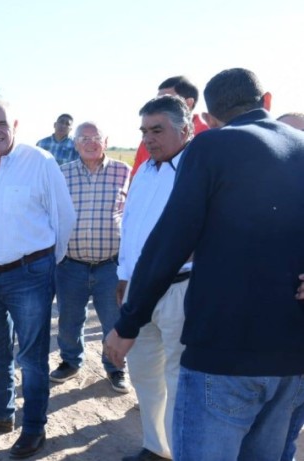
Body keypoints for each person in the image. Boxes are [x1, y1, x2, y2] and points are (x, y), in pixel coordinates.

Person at [106, 68, 304, 461]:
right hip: (292, 358)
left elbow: (169, 243)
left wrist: (128, 322)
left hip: (224, 353)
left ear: (208, 120)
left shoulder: (211, 148)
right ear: (266, 102)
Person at [0, 99, 75, 460]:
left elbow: (64, 218)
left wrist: (44, 266)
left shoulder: (39, 162)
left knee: (31, 356)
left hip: (30, 274)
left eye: (2, 124)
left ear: (15, 125)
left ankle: (33, 428)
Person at [109, 95, 195, 461]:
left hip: (180, 290)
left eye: (157, 130)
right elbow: (131, 228)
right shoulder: (144, 170)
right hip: (139, 292)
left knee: (178, 380)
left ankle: (180, 452)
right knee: (145, 375)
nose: (148, 138)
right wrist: (124, 276)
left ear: (186, 129)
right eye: (144, 131)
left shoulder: (197, 169)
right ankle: (156, 448)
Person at [51, 121, 131, 393]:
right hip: (71, 265)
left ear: (106, 141)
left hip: (110, 266)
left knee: (113, 321)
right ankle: (71, 361)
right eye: (83, 138)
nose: (90, 142)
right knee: (69, 321)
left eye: (96, 137)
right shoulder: (62, 175)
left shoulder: (124, 172)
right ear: (75, 144)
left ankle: (115, 368)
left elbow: (132, 215)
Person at [130, 76, 209, 180]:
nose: (158, 104)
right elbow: (135, 178)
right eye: (157, 100)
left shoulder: (209, 138)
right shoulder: (148, 139)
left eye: (168, 100)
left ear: (189, 103)